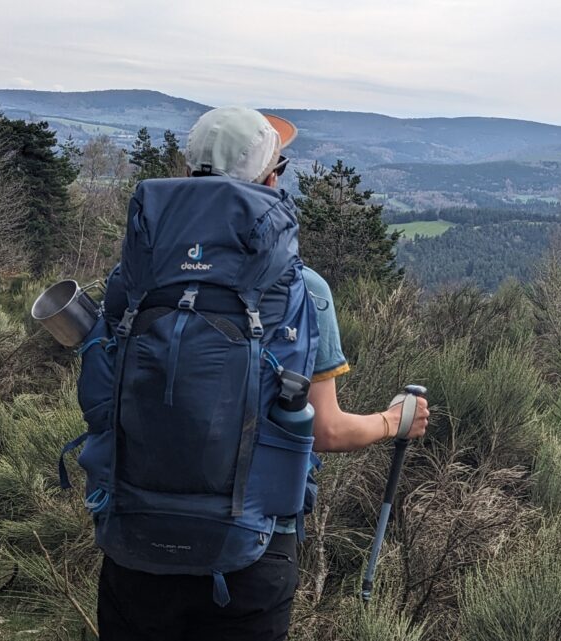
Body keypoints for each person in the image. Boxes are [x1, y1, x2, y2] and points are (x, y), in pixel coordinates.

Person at [95, 106, 429, 640]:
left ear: (188, 172)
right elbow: (326, 430)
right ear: (271, 179)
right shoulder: (302, 289)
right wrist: (395, 421)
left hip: (135, 539)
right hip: (251, 552)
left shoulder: (132, 280)